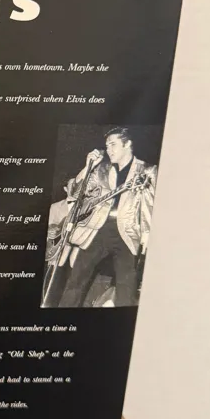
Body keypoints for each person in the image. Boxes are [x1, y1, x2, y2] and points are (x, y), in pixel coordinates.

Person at [54, 128, 156, 308]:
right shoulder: (102, 169)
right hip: (97, 230)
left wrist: (147, 234)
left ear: (127, 144)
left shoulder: (147, 170)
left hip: (127, 232)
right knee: (76, 280)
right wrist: (88, 167)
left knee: (126, 287)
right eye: (107, 146)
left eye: (113, 144)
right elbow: (75, 192)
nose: (108, 150)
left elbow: (149, 205)